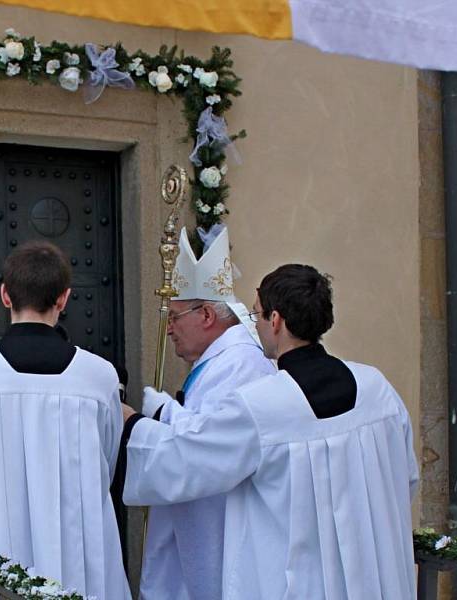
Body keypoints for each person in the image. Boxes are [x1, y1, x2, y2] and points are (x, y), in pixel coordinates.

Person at [123, 264, 420, 599]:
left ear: (276, 320)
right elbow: (404, 476)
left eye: (257, 315)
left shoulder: (262, 405)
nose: (254, 325)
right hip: (371, 573)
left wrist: (133, 423)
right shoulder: (376, 387)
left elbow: (189, 458)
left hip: (297, 580)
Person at [0, 241, 131, 600]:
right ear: (64, 298)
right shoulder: (99, 376)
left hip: (0, 541)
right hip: (83, 548)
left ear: (5, 295)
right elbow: (105, 464)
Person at [136, 225, 275, 600]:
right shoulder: (218, 361)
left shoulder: (243, 365)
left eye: (175, 317)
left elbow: (213, 446)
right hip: (196, 519)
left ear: (207, 316)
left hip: (220, 525)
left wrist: (162, 412)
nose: (168, 330)